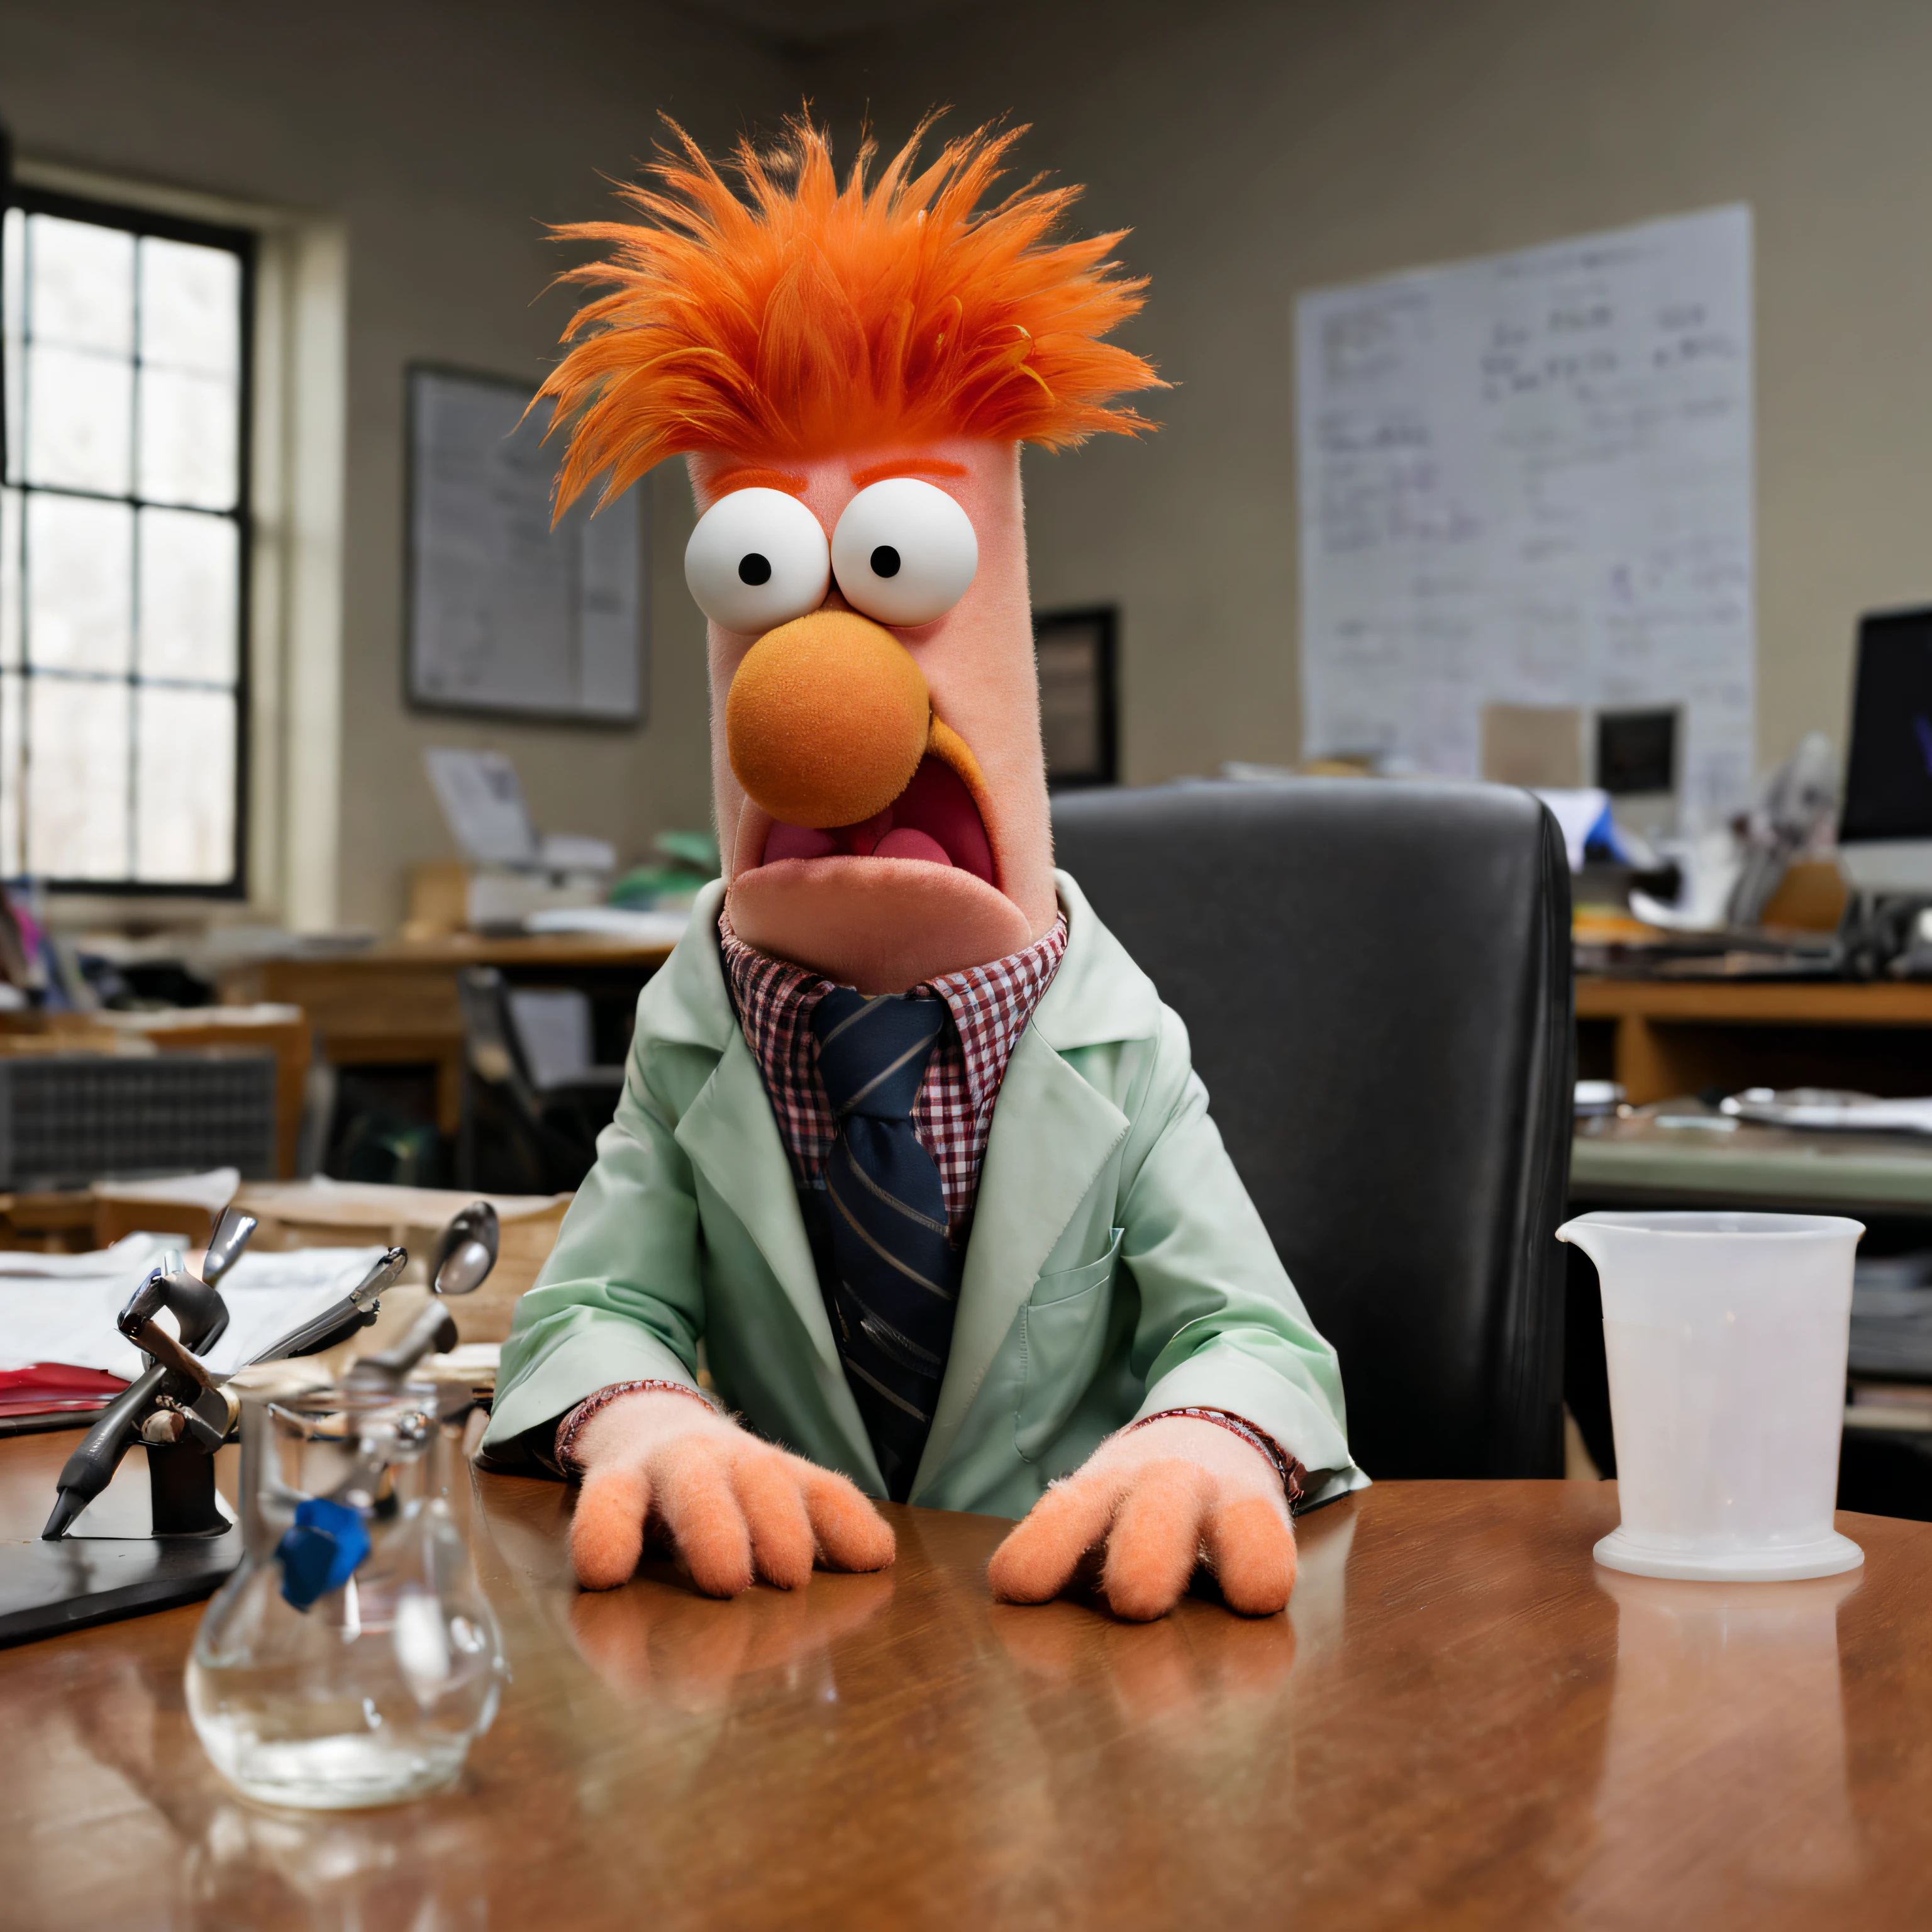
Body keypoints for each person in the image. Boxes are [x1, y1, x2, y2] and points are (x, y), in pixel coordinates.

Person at [479, 116, 1363, 1620]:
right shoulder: (697, 1020)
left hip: (1073, 1637)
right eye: (757, 577)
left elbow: (1255, 1333)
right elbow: (596, 1300)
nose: (822, 690)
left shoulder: (1119, 1042)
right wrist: (644, 1415)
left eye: (897, 564)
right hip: (789, 1630)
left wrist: (1205, 1438)